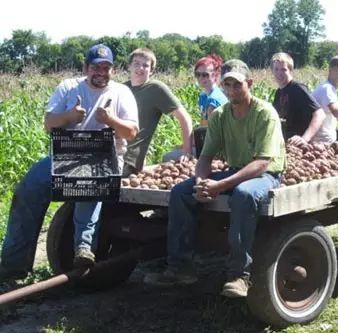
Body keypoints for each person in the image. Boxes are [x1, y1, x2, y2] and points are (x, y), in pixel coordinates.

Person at [144, 59, 286, 298]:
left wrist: (221, 185)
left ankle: (239, 274)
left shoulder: (264, 113)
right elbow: (206, 157)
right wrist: (200, 182)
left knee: (243, 195)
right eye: (227, 85)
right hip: (235, 170)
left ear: (249, 83)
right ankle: (180, 268)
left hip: (265, 175)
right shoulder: (220, 115)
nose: (231, 90)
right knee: (180, 192)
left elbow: (263, 162)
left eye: (237, 85)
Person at [0, 44, 139, 281]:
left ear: (112, 70)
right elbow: (49, 123)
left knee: (86, 181)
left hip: (105, 156)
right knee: (29, 187)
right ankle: (14, 265)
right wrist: (70, 117)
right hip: (65, 154)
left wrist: (109, 119)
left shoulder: (121, 92)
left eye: (106, 68)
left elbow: (132, 132)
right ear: (86, 68)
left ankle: (83, 248)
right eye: (96, 67)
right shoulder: (68, 87)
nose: (101, 72)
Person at [122, 48, 193, 176]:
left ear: (152, 70)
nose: (140, 68)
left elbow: (184, 117)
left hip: (129, 160)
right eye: (136, 63)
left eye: (145, 65)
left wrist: (186, 151)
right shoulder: (122, 88)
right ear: (129, 66)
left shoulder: (155, 88)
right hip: (113, 152)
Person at [270, 52, 325, 145]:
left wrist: (304, 138)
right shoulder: (278, 93)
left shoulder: (297, 88)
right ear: (272, 71)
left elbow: (320, 114)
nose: (279, 73)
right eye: (276, 69)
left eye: (284, 69)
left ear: (290, 70)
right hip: (286, 144)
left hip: (300, 147)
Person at [194, 54, 228, 126]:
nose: (200, 78)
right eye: (197, 74)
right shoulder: (203, 96)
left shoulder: (213, 100)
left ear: (214, 75)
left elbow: (210, 130)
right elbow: (203, 122)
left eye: (205, 75)